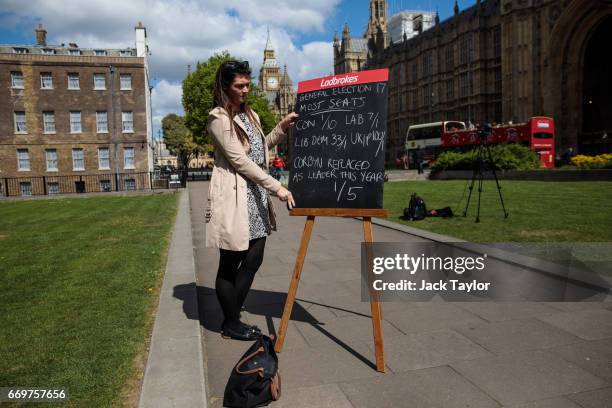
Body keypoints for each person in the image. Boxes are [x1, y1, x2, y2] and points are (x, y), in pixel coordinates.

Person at [205, 60, 297, 341]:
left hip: (255, 195)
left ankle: (232, 311)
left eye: (247, 84)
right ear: (225, 87)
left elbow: (260, 148)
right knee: (230, 262)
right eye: (239, 86)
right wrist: (277, 187)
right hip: (235, 197)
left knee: (254, 258)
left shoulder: (251, 115)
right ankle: (232, 322)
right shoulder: (219, 119)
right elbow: (240, 161)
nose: (246, 90)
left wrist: (280, 128)